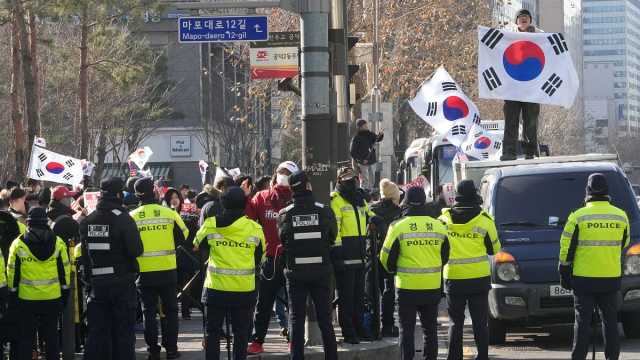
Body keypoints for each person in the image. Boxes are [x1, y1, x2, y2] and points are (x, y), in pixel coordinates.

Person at [559, 173, 630, 360]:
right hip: (610, 278)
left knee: (582, 322)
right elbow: (624, 243)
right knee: (610, 322)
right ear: (607, 192)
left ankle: (578, 357)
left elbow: (566, 248)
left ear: (587, 191)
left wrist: (564, 271)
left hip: (584, 280)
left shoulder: (577, 217)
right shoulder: (621, 216)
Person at [194, 187, 265, 360]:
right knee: (241, 334)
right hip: (243, 290)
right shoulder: (255, 228)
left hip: (215, 289)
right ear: (244, 204)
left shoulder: (211, 224)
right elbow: (259, 259)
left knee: (212, 333)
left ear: (222, 203)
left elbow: (197, 246)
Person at [379, 187, 448, 360]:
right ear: (424, 201)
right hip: (432, 287)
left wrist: (394, 271)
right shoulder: (439, 226)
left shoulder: (398, 226)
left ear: (406, 202)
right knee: (430, 330)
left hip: (406, 288)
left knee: (406, 330)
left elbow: (385, 258)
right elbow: (445, 255)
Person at [79, 177, 144, 360]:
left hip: (97, 287)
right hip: (122, 284)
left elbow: (84, 255)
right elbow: (136, 250)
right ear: (118, 194)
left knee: (97, 334)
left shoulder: (88, 220)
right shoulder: (123, 219)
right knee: (123, 334)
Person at [278, 171, 338, 359]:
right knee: (325, 321)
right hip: (321, 272)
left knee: (295, 320)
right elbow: (332, 236)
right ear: (308, 186)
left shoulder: (284, 214)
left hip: (295, 274)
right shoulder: (324, 210)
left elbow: (283, 238)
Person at [439, 180, 501, 360]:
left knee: (455, 323)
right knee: (480, 323)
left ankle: (453, 357)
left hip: (454, 278)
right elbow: (495, 250)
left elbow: (439, 250)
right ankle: (482, 356)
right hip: (478, 279)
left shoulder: (443, 221)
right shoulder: (484, 220)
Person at [131, 177, 189, 360]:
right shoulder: (168, 213)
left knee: (148, 311)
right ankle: (171, 349)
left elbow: (128, 245)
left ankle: (153, 350)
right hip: (167, 269)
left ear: (136, 194)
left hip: (144, 272)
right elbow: (184, 235)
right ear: (154, 192)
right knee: (171, 311)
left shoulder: (132, 217)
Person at [247, 161, 298, 354]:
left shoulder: (297, 198)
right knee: (264, 303)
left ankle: (294, 341)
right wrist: (245, 196)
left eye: (287, 173)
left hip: (292, 259)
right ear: (275, 175)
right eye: (280, 172)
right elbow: (247, 219)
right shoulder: (261, 197)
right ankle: (257, 341)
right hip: (270, 260)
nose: (283, 175)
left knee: (294, 304)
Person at [7, 207, 71, 360]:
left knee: (26, 339)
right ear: (46, 222)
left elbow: (12, 273)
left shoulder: (18, 244)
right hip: (52, 299)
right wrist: (64, 295)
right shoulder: (58, 243)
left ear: (28, 222)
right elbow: (65, 272)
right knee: (51, 339)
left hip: (26, 300)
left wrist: (13, 295)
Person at [331, 166, 374, 343]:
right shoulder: (336, 200)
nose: (351, 181)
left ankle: (359, 328)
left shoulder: (359, 199)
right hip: (345, 254)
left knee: (358, 296)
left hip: (360, 253)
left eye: (353, 178)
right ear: (339, 180)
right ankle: (348, 332)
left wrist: (375, 218)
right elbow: (335, 229)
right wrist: (338, 251)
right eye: (347, 178)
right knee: (346, 297)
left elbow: (369, 214)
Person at [501, 8, 540, 161]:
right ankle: (509, 152)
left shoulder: (541, 36)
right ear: (516, 21)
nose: (523, 19)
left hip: (532, 88)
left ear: (530, 20)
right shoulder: (507, 36)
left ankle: (530, 152)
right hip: (512, 88)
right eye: (520, 17)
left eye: (526, 17)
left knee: (530, 122)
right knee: (511, 121)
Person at [369, 179, 402, 337]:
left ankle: (374, 325)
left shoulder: (371, 210)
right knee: (389, 291)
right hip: (391, 256)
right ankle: (388, 325)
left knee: (374, 291)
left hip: (372, 256)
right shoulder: (398, 212)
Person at [350, 119, 384, 191]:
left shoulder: (370, 134)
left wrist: (381, 134)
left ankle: (370, 192)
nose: (366, 126)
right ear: (360, 127)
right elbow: (352, 152)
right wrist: (361, 160)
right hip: (363, 162)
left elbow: (377, 139)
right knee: (365, 180)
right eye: (365, 125)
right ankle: (364, 192)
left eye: (366, 125)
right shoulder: (356, 138)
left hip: (371, 161)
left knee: (372, 179)